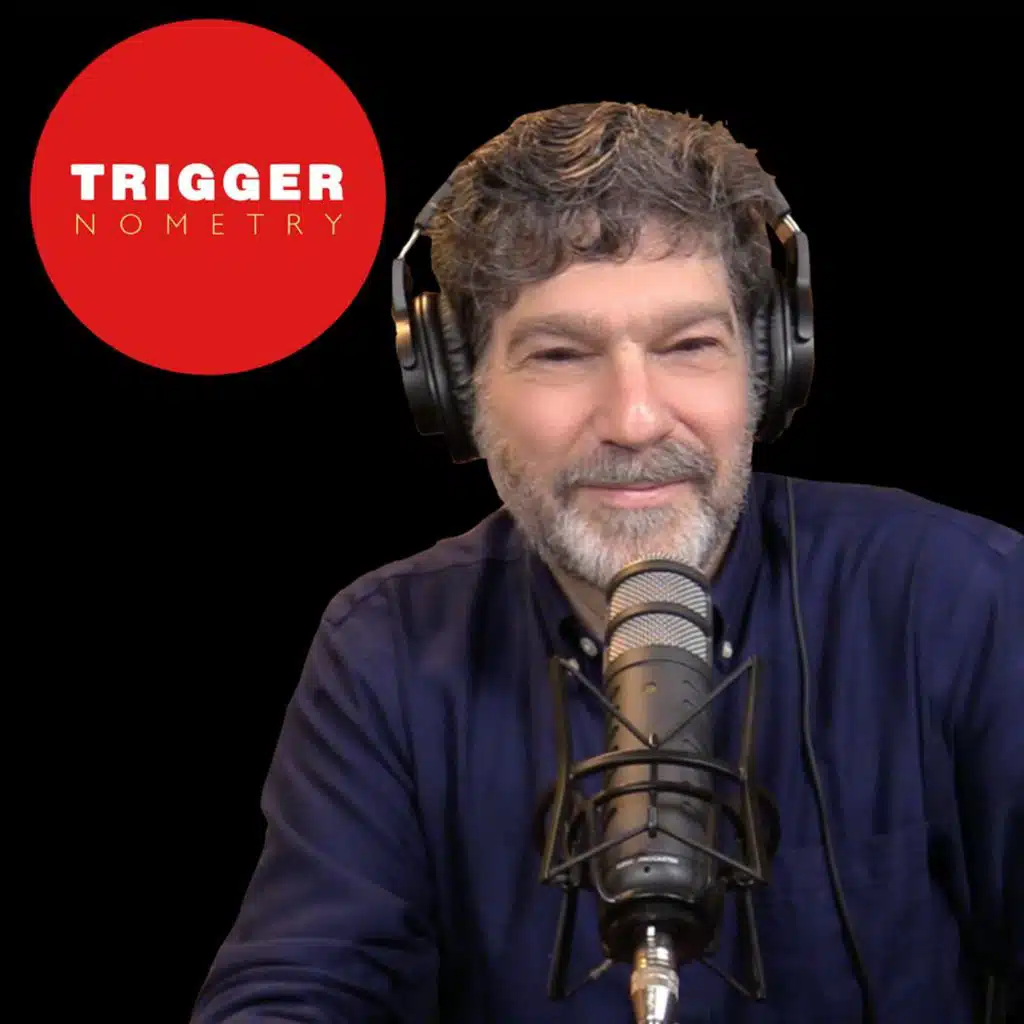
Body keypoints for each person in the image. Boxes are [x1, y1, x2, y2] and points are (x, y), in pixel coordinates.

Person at [189, 102, 1021, 1023]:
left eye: (690, 346)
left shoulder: (961, 596)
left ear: (767, 368)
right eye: (560, 354)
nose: (634, 420)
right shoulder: (385, 648)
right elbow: (293, 990)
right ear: (459, 391)